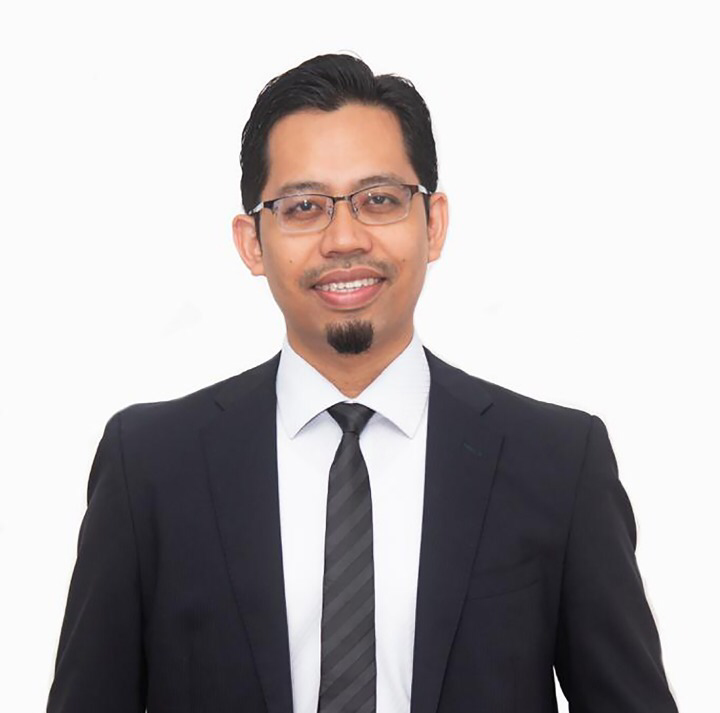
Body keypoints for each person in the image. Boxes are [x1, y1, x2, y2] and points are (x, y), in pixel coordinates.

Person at [47, 53, 678, 713]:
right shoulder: (151, 465)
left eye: (379, 200)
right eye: (303, 207)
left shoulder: (557, 462)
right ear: (252, 242)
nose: (344, 239)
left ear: (433, 223)